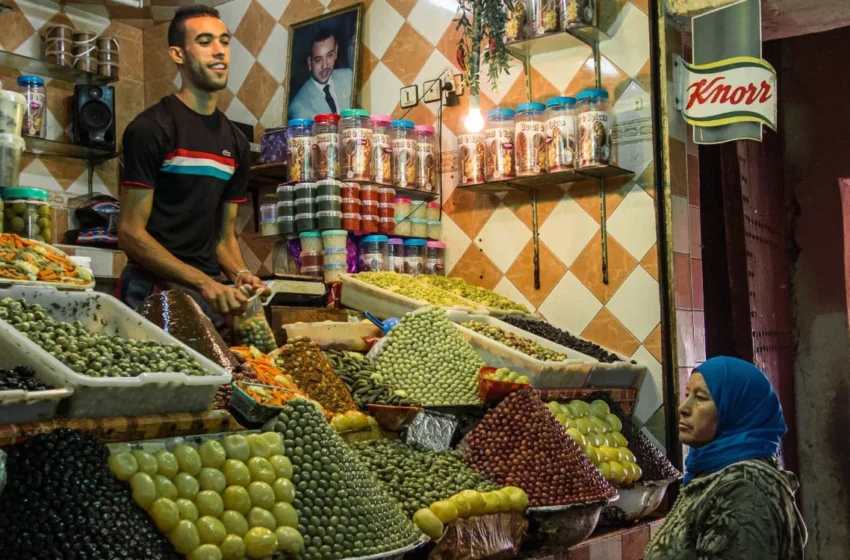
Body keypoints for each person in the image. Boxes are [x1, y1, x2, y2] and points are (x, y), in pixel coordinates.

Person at [117, 5, 269, 341]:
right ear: (178, 54)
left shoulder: (236, 142)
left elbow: (223, 238)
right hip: (150, 290)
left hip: (205, 292)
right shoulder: (151, 129)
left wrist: (241, 273)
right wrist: (204, 282)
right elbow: (130, 232)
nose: (219, 51)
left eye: (224, 41)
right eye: (204, 42)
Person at [645, 356, 807, 560]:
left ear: (736, 409)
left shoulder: (743, 488)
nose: (683, 408)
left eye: (701, 398)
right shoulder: (716, 475)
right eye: (687, 395)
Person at [288, 29, 353, 119]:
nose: (325, 65)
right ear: (310, 62)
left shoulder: (348, 77)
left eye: (330, 55)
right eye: (318, 60)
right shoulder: (299, 107)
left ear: (336, 52)